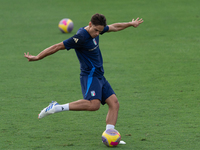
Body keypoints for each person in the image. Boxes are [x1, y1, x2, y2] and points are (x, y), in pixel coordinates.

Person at [24, 13, 143, 144]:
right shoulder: (80, 37)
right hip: (89, 75)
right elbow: (57, 46)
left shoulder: (97, 31)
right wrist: (37, 57)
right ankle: (56, 107)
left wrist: (130, 24)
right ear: (90, 24)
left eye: (100, 31)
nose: (98, 34)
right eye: (96, 30)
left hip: (99, 75)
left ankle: (110, 134)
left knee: (114, 103)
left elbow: (114, 27)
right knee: (94, 105)